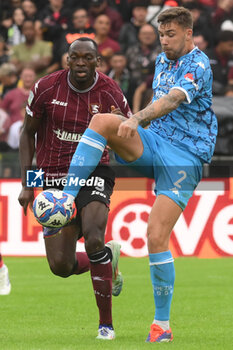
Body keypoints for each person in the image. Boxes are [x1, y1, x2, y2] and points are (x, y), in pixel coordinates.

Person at [60, 7, 217, 342]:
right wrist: (127, 119)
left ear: (188, 33)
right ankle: (66, 198)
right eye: (161, 34)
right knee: (102, 121)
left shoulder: (199, 63)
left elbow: (173, 100)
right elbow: (155, 111)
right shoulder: (162, 61)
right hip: (156, 143)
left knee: (156, 235)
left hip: (184, 158)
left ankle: (162, 326)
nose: (164, 41)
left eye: (170, 34)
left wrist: (135, 119)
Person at [18, 37, 132, 340]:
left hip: (95, 173)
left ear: (98, 61)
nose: (81, 63)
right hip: (53, 179)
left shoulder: (110, 91)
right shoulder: (45, 88)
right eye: (75, 57)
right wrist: (28, 184)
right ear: (67, 60)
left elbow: (130, 133)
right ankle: (109, 257)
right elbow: (27, 135)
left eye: (87, 58)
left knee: (94, 237)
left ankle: (105, 325)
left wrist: (120, 128)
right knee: (61, 266)